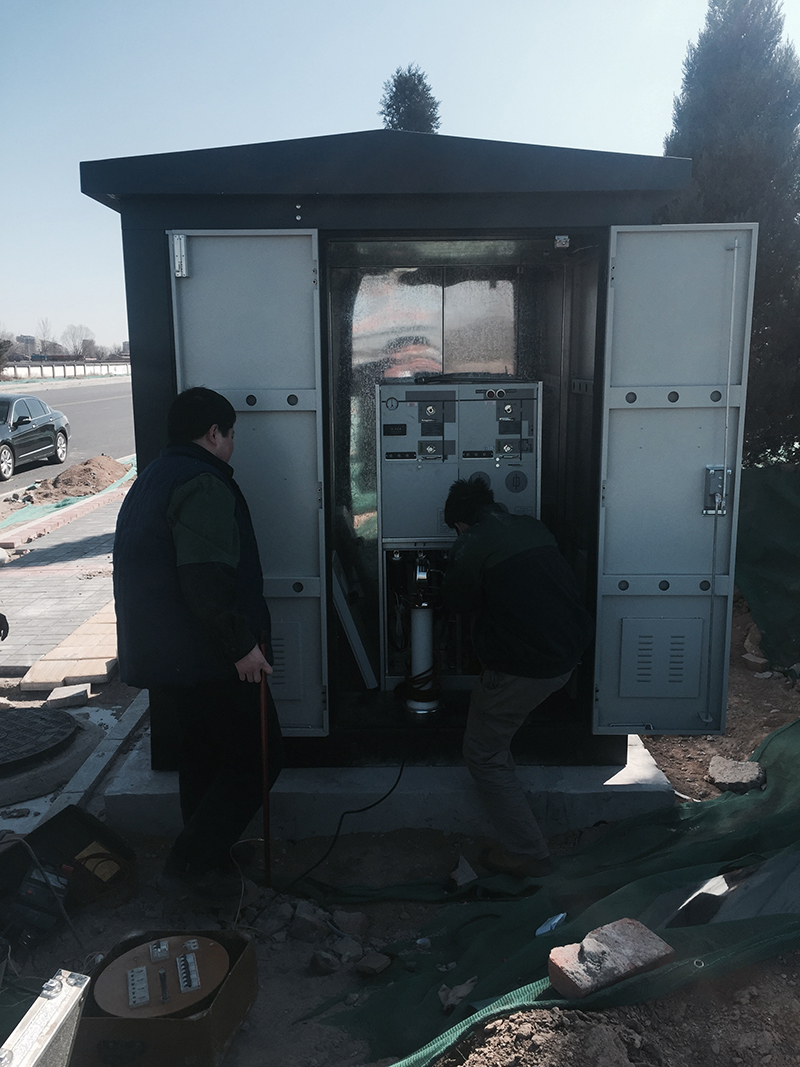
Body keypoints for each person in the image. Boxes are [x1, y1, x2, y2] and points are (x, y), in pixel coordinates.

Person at [113, 387, 283, 902]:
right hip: (204, 654)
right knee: (260, 757)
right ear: (214, 433)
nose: (232, 445)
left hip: (166, 654)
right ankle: (190, 865)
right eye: (231, 435)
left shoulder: (154, 475)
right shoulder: (202, 483)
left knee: (203, 759)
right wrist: (241, 647)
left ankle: (208, 857)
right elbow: (204, 578)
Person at [442, 478, 594, 879]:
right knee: (499, 733)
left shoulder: (471, 542)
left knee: (483, 754)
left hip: (526, 668)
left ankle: (528, 853)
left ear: (460, 523)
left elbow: (456, 602)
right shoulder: (533, 527)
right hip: (568, 654)